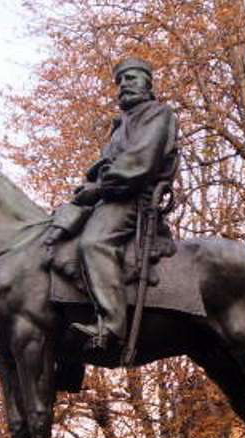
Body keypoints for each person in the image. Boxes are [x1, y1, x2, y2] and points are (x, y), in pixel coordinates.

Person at [60, 57, 179, 352]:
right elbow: (104, 165)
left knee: (94, 244)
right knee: (56, 241)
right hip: (108, 197)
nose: (124, 84)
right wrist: (88, 188)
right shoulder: (119, 126)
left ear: (147, 83)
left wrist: (100, 187)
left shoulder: (157, 114)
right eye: (120, 80)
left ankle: (111, 327)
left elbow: (140, 161)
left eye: (132, 78)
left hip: (132, 198)